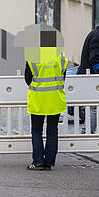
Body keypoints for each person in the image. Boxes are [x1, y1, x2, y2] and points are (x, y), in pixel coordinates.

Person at [24, 37, 67, 171]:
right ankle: (48, 162)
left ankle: (37, 162)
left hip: (38, 100)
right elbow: (63, 77)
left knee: (36, 130)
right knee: (52, 130)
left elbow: (28, 79)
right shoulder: (61, 58)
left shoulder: (33, 59)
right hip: (55, 100)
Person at [78, 23, 99, 133]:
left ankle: (94, 132)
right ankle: (87, 132)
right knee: (95, 107)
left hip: (91, 76)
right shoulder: (97, 36)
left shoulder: (97, 35)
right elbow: (94, 58)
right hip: (92, 78)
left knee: (98, 107)